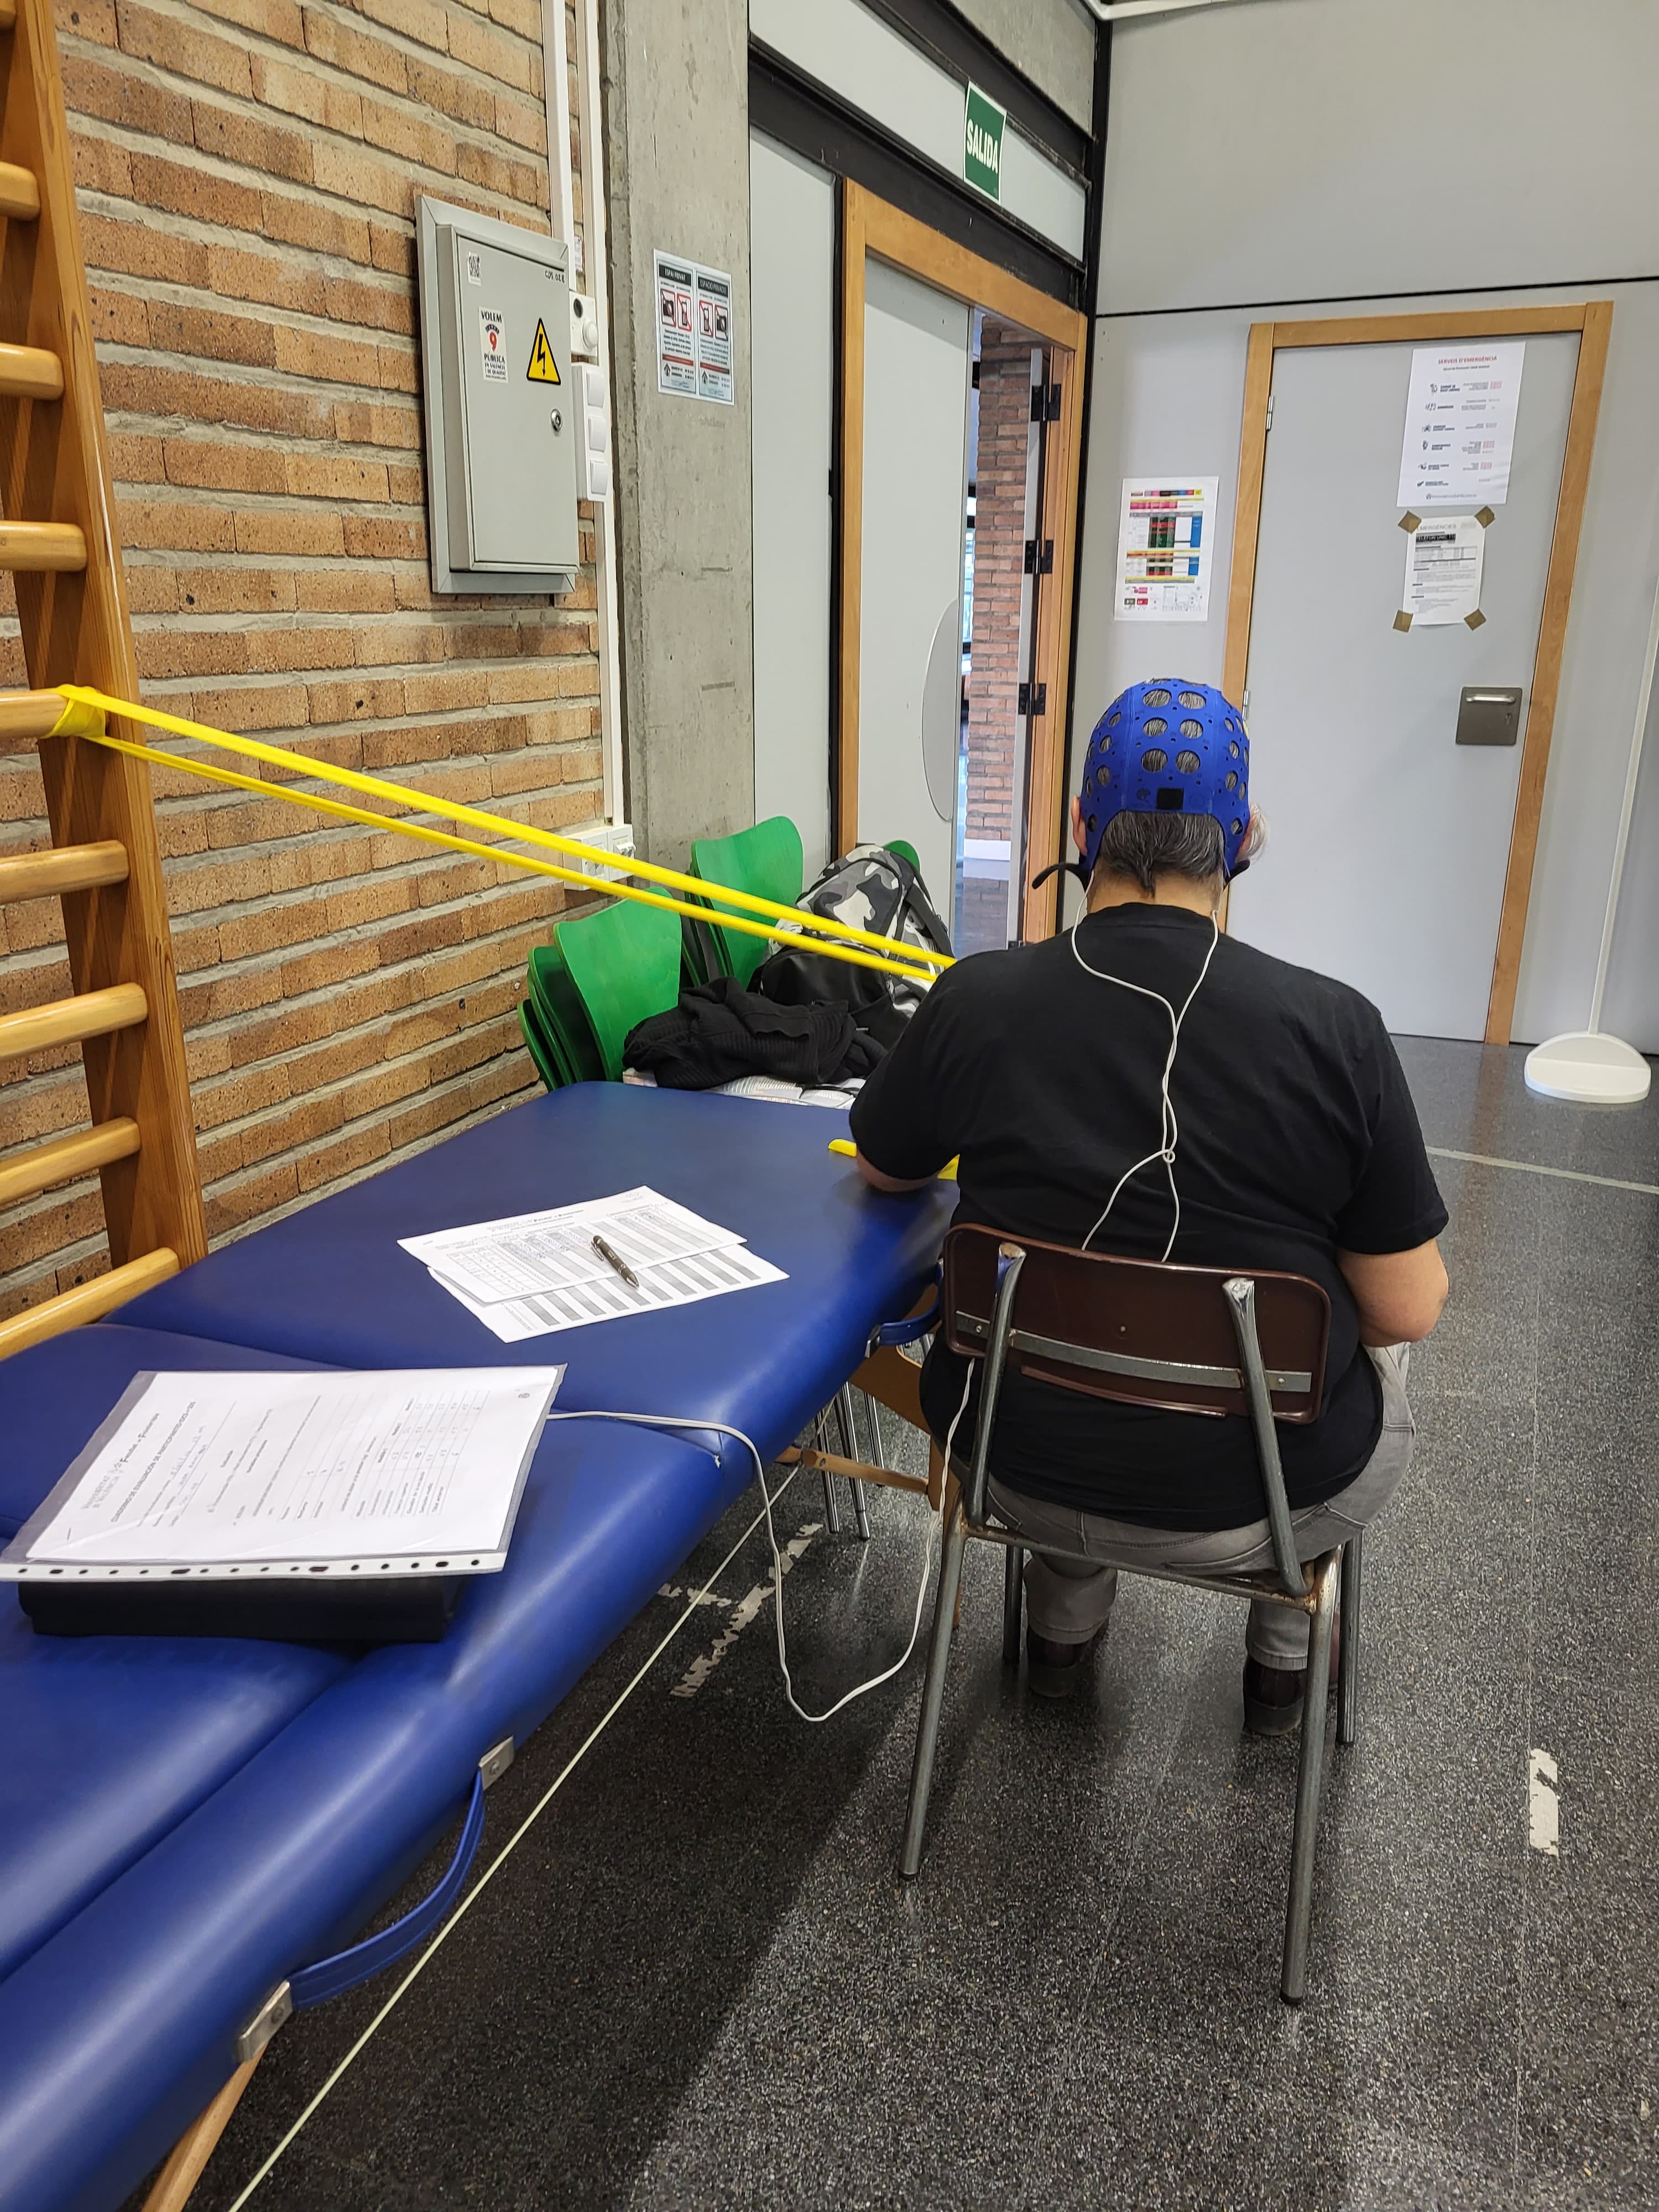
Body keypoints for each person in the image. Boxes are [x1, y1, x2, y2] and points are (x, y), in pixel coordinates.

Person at [848, 677, 1448, 1732]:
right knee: (1379, 1337)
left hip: (1009, 1463)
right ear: (1243, 842)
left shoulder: (978, 997)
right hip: (1264, 1500)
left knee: (1072, 1332)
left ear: (1083, 833)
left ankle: (1061, 1625)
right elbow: (1407, 1308)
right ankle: (1284, 1650)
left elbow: (887, 1170)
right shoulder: (1338, 1029)